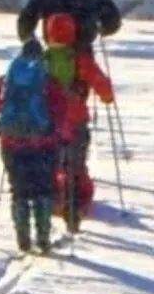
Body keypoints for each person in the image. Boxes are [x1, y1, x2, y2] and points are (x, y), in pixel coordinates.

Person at [0, 48, 71, 253]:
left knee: (19, 190)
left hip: (11, 144)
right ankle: (43, 238)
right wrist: (63, 136)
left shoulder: (5, 80)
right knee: (43, 189)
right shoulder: (49, 82)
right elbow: (62, 110)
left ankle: (23, 238)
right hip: (44, 144)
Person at [37, 13, 117, 234]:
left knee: (50, 161)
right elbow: (99, 81)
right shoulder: (78, 58)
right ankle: (76, 205)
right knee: (75, 163)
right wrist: (107, 96)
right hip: (75, 119)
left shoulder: (42, 60)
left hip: (48, 120)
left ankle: (51, 199)